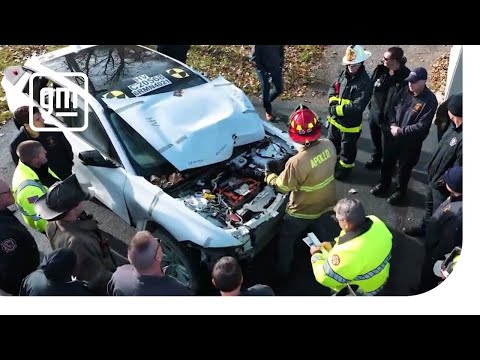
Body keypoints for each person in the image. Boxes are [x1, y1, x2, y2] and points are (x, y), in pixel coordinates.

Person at [265, 104, 337, 280]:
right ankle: (331, 262)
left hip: (301, 211)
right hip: (326, 202)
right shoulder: (329, 145)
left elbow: (282, 187)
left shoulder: (296, 163)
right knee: (321, 229)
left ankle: (282, 272)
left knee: (286, 238)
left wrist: (269, 175)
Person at [34, 175, 117, 295]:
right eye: (78, 201)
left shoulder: (51, 225)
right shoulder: (78, 242)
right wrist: (120, 281)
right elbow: (96, 278)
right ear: (72, 209)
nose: (81, 202)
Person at [370, 67, 438, 205]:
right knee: (387, 162)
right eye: (409, 82)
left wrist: (401, 131)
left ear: (423, 81)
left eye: (413, 82)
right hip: (393, 135)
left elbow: (422, 125)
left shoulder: (429, 100)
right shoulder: (405, 91)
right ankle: (384, 185)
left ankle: (400, 193)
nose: (410, 84)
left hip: (410, 142)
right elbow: (392, 107)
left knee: (404, 169)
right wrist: (394, 125)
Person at [404, 93, 462, 237]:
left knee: (439, 216)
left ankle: (432, 239)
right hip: (434, 177)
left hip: (443, 186)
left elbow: (459, 168)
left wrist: (443, 181)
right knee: (429, 208)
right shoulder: (453, 127)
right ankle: (425, 228)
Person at [310, 198, 392, 296]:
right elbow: (347, 236)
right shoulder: (376, 221)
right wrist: (333, 244)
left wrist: (316, 255)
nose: (337, 221)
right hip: (380, 277)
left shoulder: (347, 254)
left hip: (363, 290)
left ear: (345, 223)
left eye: (337, 219)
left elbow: (325, 277)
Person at [327, 45, 373, 180]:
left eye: (354, 65)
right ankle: (331, 165)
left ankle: (344, 171)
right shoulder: (343, 74)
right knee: (332, 145)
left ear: (361, 63)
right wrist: (332, 101)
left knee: (347, 151)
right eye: (349, 65)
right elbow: (333, 88)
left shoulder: (365, 82)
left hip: (350, 126)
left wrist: (336, 109)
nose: (350, 67)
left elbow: (357, 106)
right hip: (335, 122)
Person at [416, 166, 462, 294]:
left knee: (428, 278)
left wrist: (433, 255)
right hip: (435, 245)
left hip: (436, 255)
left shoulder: (457, 215)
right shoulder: (456, 199)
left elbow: (446, 243)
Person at [365, 47, 410, 169]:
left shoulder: (405, 77)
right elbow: (372, 86)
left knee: (389, 144)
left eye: (386, 58)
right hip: (375, 112)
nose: (383, 60)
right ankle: (376, 158)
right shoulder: (381, 70)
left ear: (395, 60)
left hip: (390, 118)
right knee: (375, 138)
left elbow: (406, 100)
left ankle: (389, 165)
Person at [107, 231, 192, 296]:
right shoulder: (177, 290)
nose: (158, 241)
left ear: (129, 258)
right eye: (158, 242)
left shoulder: (119, 276)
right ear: (158, 256)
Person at [10, 106, 74, 180]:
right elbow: (23, 170)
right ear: (26, 125)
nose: (42, 120)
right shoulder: (17, 145)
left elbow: (67, 149)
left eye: (41, 116)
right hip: (44, 185)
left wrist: (68, 167)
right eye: (38, 119)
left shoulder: (53, 130)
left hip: (66, 176)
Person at [0, 178, 40, 295]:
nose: (12, 193)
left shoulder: (3, 212)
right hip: (28, 282)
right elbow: (7, 271)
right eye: (8, 191)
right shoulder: (3, 236)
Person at [11, 140, 60, 233]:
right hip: (56, 228)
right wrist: (62, 229)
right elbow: (42, 220)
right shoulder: (28, 190)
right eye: (42, 152)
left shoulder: (35, 165)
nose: (46, 151)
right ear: (35, 160)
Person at [20, 248, 91, 296]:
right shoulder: (78, 292)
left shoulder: (33, 277)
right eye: (76, 263)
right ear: (70, 272)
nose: (78, 263)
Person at [251, 45, 285, 121]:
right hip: (264, 70)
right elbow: (254, 59)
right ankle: (268, 111)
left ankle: (265, 100)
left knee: (279, 89)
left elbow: (281, 49)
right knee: (266, 89)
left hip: (276, 67)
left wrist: (281, 62)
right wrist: (263, 72)